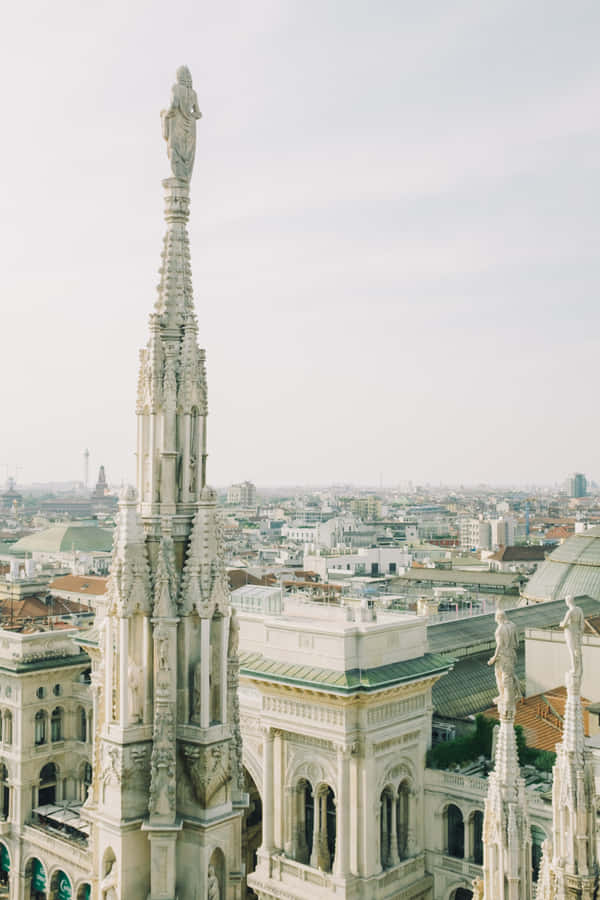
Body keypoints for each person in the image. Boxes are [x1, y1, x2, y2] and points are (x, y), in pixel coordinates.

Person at [161, 66, 202, 180]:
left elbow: (174, 105)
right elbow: (198, 114)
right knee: (186, 153)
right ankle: (183, 176)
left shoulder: (176, 88)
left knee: (173, 149)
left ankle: (176, 175)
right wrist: (189, 116)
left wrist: (166, 114)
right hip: (190, 127)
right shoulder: (193, 93)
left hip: (176, 122)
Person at [488, 609, 521, 714]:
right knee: (510, 675)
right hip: (512, 654)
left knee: (503, 677)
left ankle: (507, 699)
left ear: (498, 618)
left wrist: (493, 658)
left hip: (503, 656)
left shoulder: (499, 629)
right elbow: (517, 643)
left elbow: (499, 645)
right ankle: (512, 694)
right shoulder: (513, 625)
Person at [560, 594, 585, 680]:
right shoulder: (579, 610)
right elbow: (582, 624)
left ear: (568, 602)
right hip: (577, 632)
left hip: (570, 632)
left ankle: (574, 669)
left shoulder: (569, 612)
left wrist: (561, 623)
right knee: (577, 650)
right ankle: (579, 668)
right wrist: (580, 633)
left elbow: (563, 624)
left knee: (572, 651)